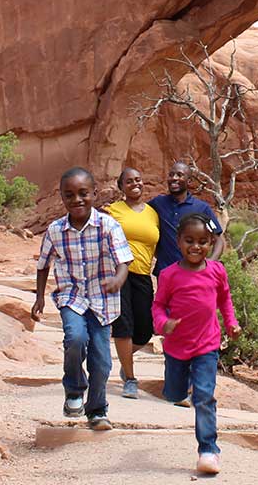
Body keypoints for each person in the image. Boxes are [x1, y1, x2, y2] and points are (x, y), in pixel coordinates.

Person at [32, 167, 132, 430]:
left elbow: (124, 260)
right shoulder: (55, 231)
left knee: (102, 362)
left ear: (94, 194)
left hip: (102, 301)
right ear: (62, 198)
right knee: (75, 338)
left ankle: (97, 410)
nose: (77, 200)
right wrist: (39, 298)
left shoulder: (108, 225)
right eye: (70, 195)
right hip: (71, 296)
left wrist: (118, 280)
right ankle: (75, 390)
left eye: (83, 194)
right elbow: (43, 265)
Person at [152, 212, 240, 475]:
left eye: (202, 241)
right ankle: (181, 390)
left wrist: (231, 322)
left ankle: (208, 450)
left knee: (204, 397)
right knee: (175, 394)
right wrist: (163, 324)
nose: (196, 246)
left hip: (207, 345)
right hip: (177, 346)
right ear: (178, 241)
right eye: (189, 240)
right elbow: (158, 305)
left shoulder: (217, 271)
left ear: (210, 243)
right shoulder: (169, 275)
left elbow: (224, 298)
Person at [105, 167, 160, 399]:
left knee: (146, 329)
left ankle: (124, 359)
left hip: (143, 275)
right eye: (129, 181)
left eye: (138, 179)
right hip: (119, 273)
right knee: (123, 325)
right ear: (121, 187)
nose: (134, 184)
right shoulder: (112, 211)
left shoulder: (152, 213)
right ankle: (130, 377)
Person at [149, 161, 226, 278]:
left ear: (189, 181)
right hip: (165, 274)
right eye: (171, 175)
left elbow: (218, 239)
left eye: (179, 175)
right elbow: (138, 212)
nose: (174, 178)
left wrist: (209, 264)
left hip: (193, 275)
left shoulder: (202, 208)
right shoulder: (158, 203)